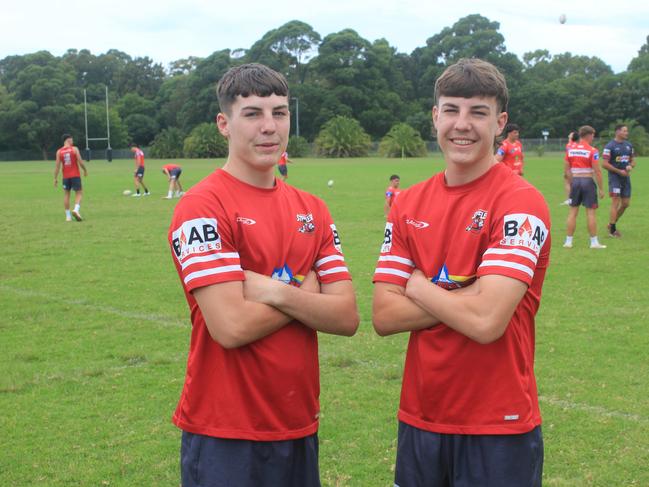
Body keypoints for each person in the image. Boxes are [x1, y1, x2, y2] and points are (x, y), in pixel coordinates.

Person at [167, 63, 359, 487]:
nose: (269, 127)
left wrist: (274, 291)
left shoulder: (314, 210)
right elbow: (231, 327)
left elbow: (346, 317)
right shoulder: (202, 207)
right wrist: (306, 293)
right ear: (224, 123)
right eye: (253, 113)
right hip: (225, 433)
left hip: (298, 424)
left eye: (280, 112)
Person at [372, 58, 550, 487]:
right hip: (421, 416)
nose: (462, 124)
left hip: (498, 423)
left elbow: (487, 322)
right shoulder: (408, 203)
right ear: (435, 116)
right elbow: (384, 316)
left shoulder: (520, 203)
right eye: (451, 109)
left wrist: (417, 285)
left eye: (478, 112)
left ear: (500, 122)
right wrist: (469, 294)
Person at [563, 125, 607, 249]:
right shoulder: (592, 150)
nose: (593, 137)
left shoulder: (570, 150)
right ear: (588, 135)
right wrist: (601, 189)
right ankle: (594, 243)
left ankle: (568, 242)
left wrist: (572, 183)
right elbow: (597, 171)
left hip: (576, 181)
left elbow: (566, 170)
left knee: (572, 212)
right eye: (593, 135)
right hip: (587, 181)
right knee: (591, 213)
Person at [601, 124, 635, 237]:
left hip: (626, 178)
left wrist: (630, 166)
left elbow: (633, 161)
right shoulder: (609, 146)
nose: (627, 133)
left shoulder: (629, 145)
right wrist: (619, 171)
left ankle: (611, 224)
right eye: (625, 131)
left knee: (625, 204)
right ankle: (612, 230)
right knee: (615, 201)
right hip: (615, 178)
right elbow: (604, 164)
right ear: (618, 132)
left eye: (627, 131)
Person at [54, 134, 88, 221]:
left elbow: (57, 166)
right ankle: (76, 210)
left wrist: (55, 178)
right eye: (72, 140)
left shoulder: (59, 151)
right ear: (68, 140)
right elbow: (80, 162)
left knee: (66, 195)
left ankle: (68, 217)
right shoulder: (74, 149)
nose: (72, 142)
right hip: (75, 175)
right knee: (79, 193)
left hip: (65, 177)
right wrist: (85, 170)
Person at [561, 131, 579, 205]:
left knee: (567, 182)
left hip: (571, 167)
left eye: (570, 135)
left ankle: (569, 199)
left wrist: (566, 170)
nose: (568, 136)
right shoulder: (578, 144)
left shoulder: (569, 145)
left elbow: (568, 158)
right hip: (577, 166)